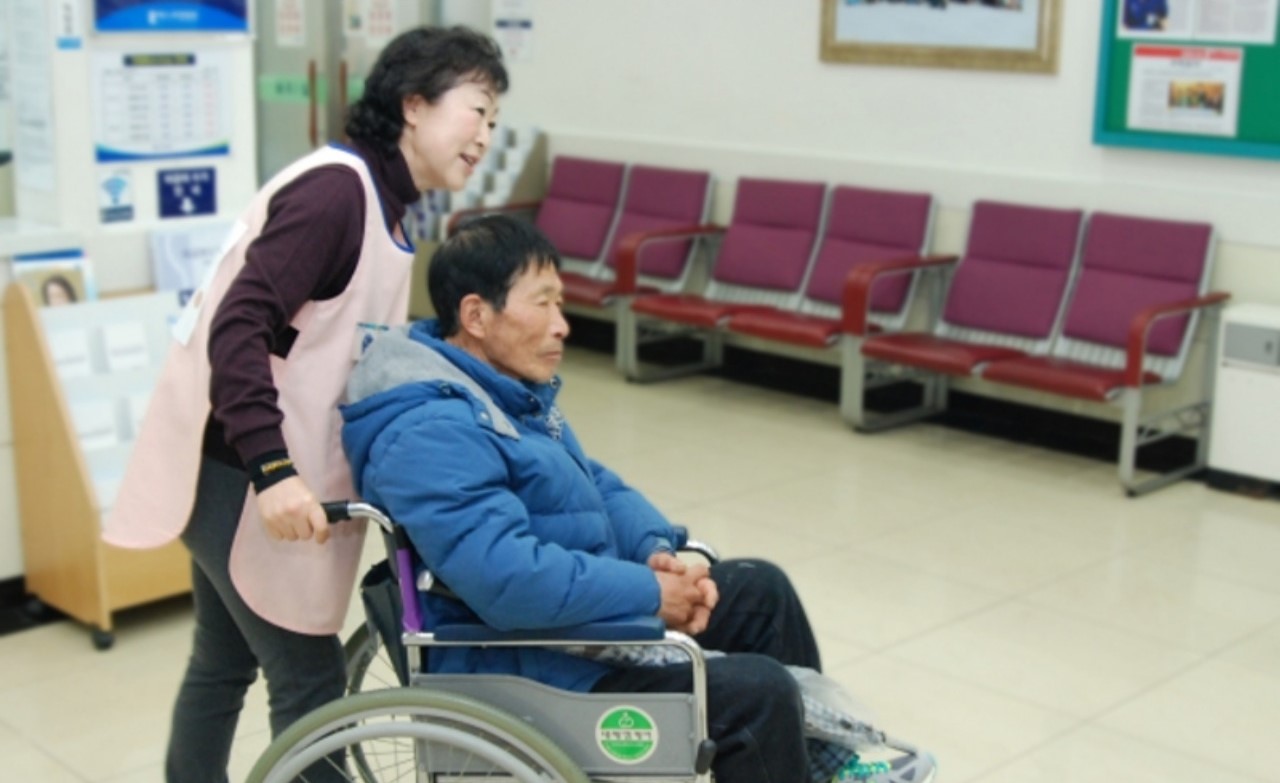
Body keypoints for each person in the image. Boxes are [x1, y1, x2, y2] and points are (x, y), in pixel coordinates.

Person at [340, 215, 936, 783]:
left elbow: (593, 485)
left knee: (761, 593)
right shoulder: (430, 432)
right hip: (526, 661)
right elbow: (509, 579)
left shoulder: (496, 391)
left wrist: (658, 553)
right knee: (756, 693)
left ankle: (818, 766)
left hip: (572, 625)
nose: (562, 325)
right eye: (543, 303)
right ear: (476, 315)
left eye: (561, 304)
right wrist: (651, 595)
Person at [102, 26, 507, 783]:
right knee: (312, 690)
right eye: (477, 110)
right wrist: (273, 470)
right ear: (414, 105)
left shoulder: (385, 203)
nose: (486, 135)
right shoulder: (335, 193)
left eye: (494, 120)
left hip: (247, 472)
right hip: (242, 475)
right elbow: (238, 325)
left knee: (222, 664)